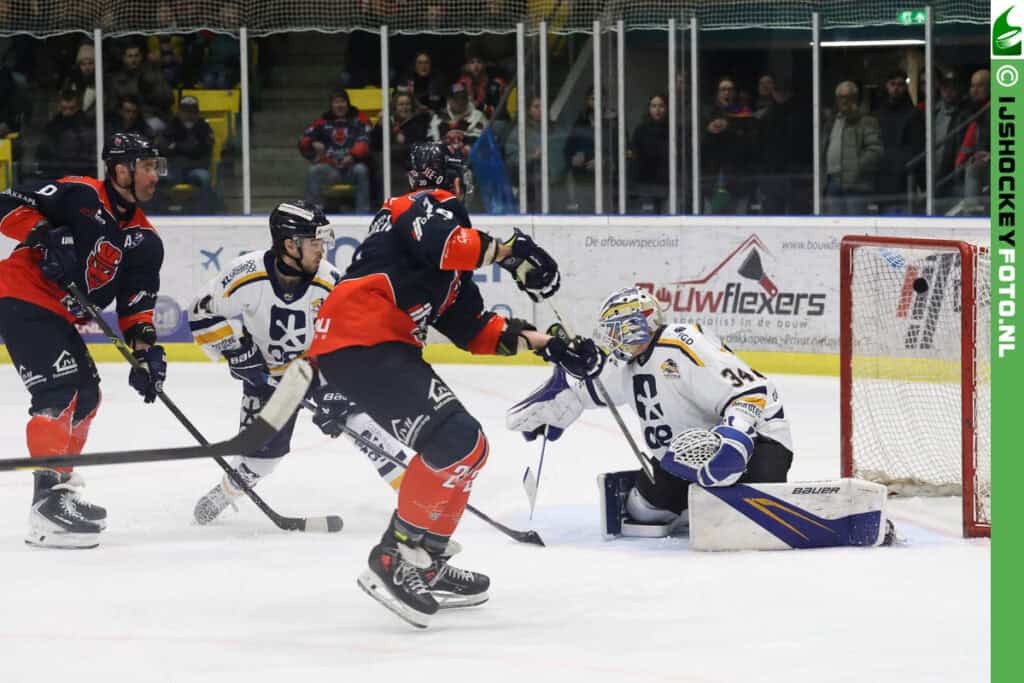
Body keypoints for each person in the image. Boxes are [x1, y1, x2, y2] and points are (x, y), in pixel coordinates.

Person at [307, 141, 600, 628]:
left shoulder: (446, 262)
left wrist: (550, 344)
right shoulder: (416, 206)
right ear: (455, 181)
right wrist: (509, 252)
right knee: (455, 439)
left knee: (471, 448)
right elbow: (449, 243)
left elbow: (475, 330)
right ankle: (394, 554)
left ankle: (427, 559)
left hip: (378, 347)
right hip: (361, 341)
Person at [187, 200, 419, 523]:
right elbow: (200, 313)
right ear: (289, 245)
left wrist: (337, 389)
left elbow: (350, 336)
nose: (321, 250)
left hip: (319, 368)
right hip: (266, 375)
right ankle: (225, 492)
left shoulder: (330, 282)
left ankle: (417, 495)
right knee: (262, 459)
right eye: (314, 243)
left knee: (361, 425)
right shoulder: (244, 275)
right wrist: (235, 351)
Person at [507, 286, 793, 533]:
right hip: (690, 457)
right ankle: (695, 503)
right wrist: (555, 407)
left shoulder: (683, 342)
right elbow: (587, 390)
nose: (612, 339)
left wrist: (734, 442)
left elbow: (751, 391)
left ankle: (714, 496)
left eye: (617, 329)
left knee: (755, 493)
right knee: (644, 510)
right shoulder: (624, 364)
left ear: (639, 323)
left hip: (758, 440)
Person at [0, 132, 168, 549]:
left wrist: (145, 354)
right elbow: (5, 202)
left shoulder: (146, 242)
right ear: (120, 170)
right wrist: (41, 233)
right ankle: (47, 504)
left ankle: (59, 490)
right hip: (19, 293)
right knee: (60, 391)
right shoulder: (79, 194)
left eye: (156, 167)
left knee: (87, 395)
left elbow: (136, 308)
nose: (156, 176)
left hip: (56, 313)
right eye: (148, 166)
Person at [298, 89, 372, 213]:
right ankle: (312, 212)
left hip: (351, 168)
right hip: (330, 168)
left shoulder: (359, 120)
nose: (339, 105)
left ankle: (362, 212)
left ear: (348, 103)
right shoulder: (322, 122)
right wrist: (312, 143)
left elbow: (365, 139)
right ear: (331, 105)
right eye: (336, 102)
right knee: (313, 171)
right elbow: (303, 142)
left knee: (361, 170)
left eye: (342, 101)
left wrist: (353, 156)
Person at [822, 80, 881, 215]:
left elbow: (875, 150)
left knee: (855, 224)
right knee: (835, 224)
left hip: (855, 184)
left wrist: (856, 168)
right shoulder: (831, 121)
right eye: (840, 97)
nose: (844, 101)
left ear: (855, 98)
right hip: (832, 181)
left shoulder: (866, 121)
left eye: (848, 97)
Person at [161, 95, 216, 213]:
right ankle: (161, 213)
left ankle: (204, 213)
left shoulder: (204, 127)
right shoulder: (171, 125)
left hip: (196, 168)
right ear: (179, 112)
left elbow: (205, 150)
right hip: (174, 168)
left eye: (192, 111)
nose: (188, 115)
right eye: (185, 111)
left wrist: (177, 146)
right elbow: (163, 148)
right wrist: (191, 148)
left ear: (197, 113)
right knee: (157, 178)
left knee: (205, 178)